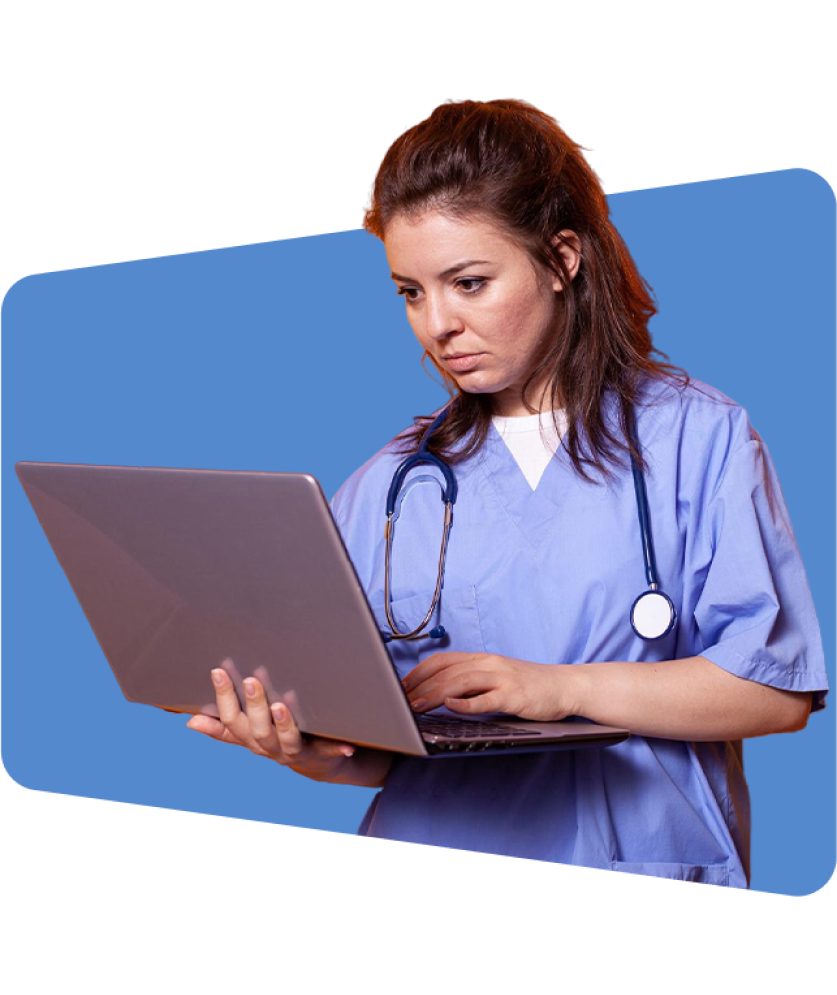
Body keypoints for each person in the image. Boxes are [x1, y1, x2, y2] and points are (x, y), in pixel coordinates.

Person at [186, 98, 828, 887]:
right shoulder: (392, 481)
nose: (437, 324)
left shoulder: (698, 439)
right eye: (410, 292)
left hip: (634, 851)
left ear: (561, 259)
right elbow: (381, 747)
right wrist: (313, 752)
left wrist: (555, 687)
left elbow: (771, 691)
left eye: (468, 282)